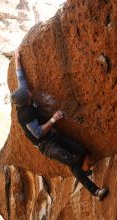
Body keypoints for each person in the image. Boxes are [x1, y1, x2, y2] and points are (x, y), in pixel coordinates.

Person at [10, 48, 108, 201]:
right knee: (73, 162)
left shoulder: (22, 98)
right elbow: (37, 133)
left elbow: (21, 79)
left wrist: (17, 59)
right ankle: (95, 192)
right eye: (28, 92)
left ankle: (81, 173)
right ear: (25, 100)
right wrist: (54, 119)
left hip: (53, 135)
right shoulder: (25, 114)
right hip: (46, 145)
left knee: (82, 150)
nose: (29, 91)